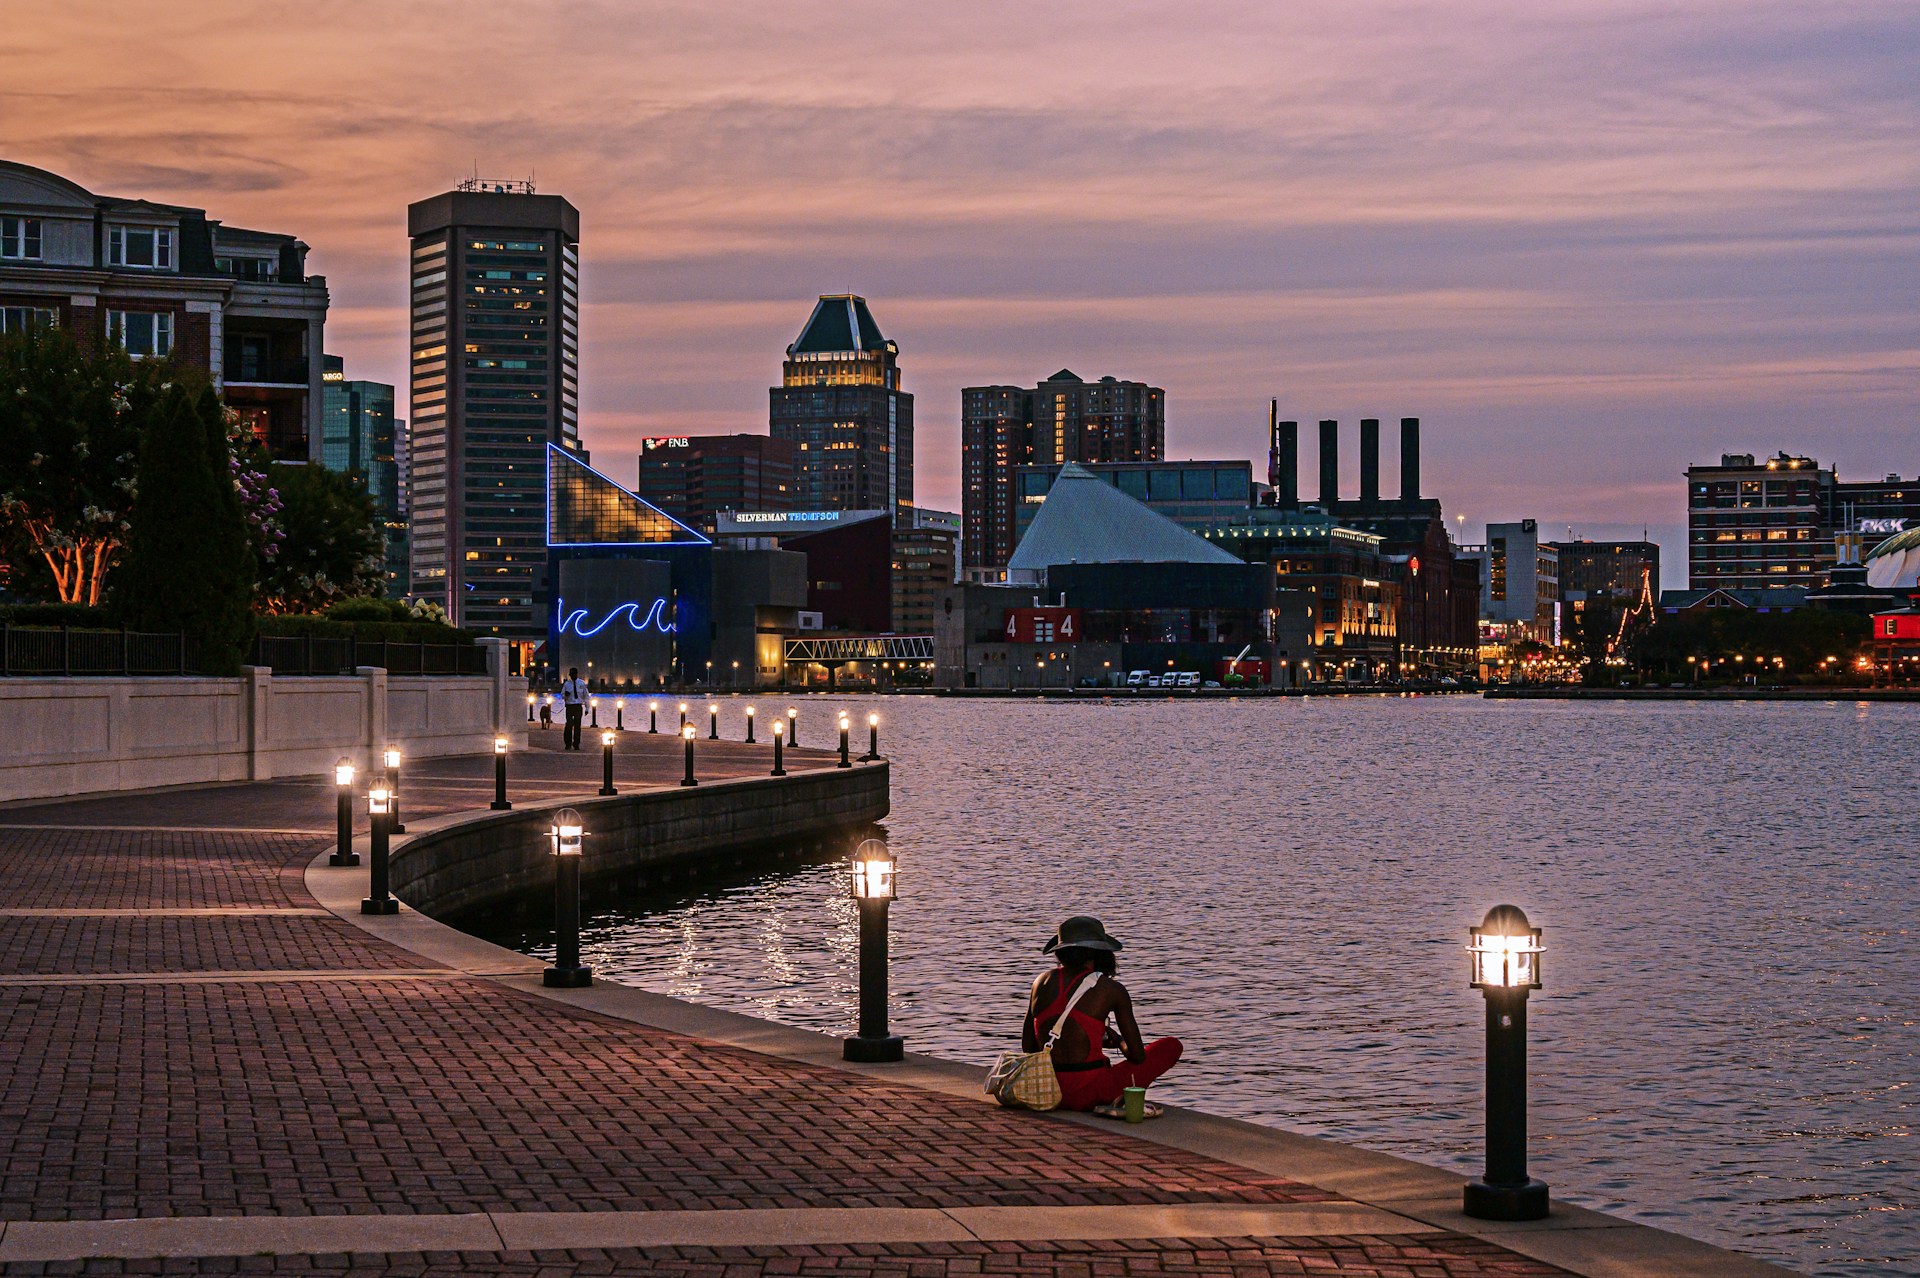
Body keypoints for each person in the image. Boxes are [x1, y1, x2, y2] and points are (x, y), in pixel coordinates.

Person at [1023, 915, 1181, 1112]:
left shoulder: (1040, 982)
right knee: (1171, 1047)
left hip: (1046, 1089)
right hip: (1090, 1093)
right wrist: (1118, 1040)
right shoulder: (1111, 989)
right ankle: (1121, 1097)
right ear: (1099, 953)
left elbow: (1028, 1048)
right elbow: (1137, 1056)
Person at [559, 667, 588, 751]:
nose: (572, 676)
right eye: (571, 675)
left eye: (573, 674)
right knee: (569, 724)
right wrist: (565, 695)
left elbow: (586, 696)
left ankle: (576, 744)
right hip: (570, 706)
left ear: (576, 674)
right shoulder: (567, 684)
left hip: (578, 705)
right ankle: (567, 743)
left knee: (577, 725)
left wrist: (587, 708)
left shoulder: (581, 683)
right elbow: (562, 695)